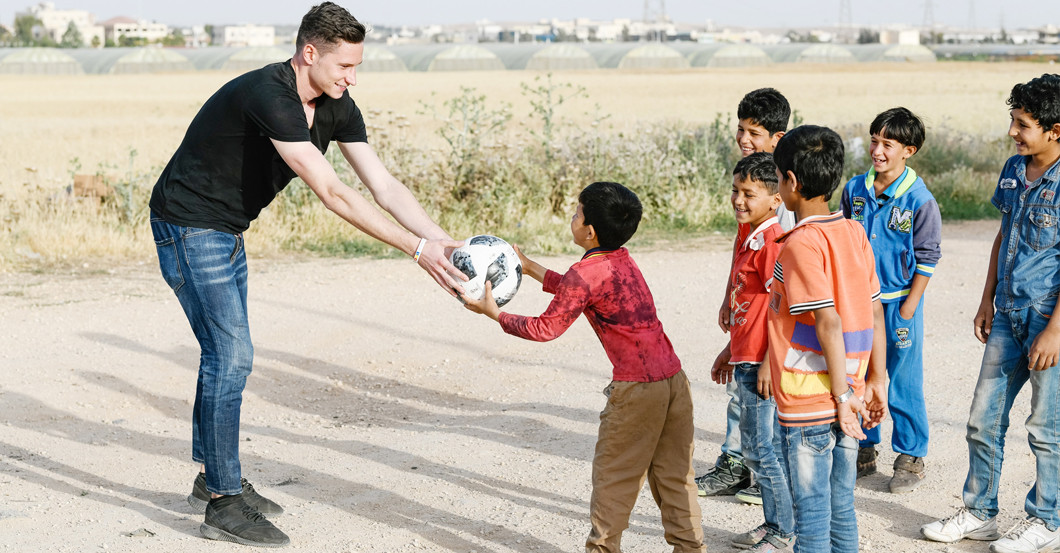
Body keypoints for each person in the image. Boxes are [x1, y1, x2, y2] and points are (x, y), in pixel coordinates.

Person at [148, 3, 464, 547]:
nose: (352, 77)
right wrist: (416, 251)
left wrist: (440, 241)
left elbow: (383, 185)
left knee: (223, 355)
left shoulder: (337, 105)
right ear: (309, 53)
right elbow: (333, 191)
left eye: (358, 67)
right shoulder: (268, 94)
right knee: (232, 357)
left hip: (225, 230)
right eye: (344, 66)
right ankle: (224, 503)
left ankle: (212, 476)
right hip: (189, 226)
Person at [461, 181, 705, 553]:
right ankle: (691, 548)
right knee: (675, 478)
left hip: (637, 391)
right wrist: (529, 268)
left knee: (614, 479)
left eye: (576, 213)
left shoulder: (585, 273)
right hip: (674, 382)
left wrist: (495, 314)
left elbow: (546, 328)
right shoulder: (621, 259)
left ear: (589, 231)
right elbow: (577, 291)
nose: (572, 217)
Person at [921, 73, 1060, 553]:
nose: (1013, 133)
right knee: (984, 419)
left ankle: (1046, 519)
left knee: (1045, 429)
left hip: (1049, 321)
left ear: (1055, 130)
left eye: (1022, 125)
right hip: (1007, 314)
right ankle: (979, 513)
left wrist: (1055, 332)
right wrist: (987, 299)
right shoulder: (1014, 169)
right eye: (1013, 121)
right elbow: (1004, 236)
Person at [768, 125, 888, 553]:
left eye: (778, 178)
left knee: (812, 515)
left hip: (813, 400)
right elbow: (875, 309)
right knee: (842, 510)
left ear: (791, 183)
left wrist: (839, 396)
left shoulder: (800, 244)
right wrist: (877, 379)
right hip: (851, 391)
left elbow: (828, 322)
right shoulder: (854, 232)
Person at [840, 107, 941, 493]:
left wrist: (910, 306)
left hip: (899, 304)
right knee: (863, 372)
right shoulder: (854, 189)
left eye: (888, 144)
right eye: (874, 141)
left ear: (909, 151)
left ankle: (911, 455)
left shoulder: (919, 199)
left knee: (901, 378)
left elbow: (928, 256)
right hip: (859, 303)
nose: (877, 151)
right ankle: (865, 448)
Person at [698, 87, 792, 505]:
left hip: (770, 336)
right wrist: (727, 299)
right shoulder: (749, 185)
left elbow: (781, 292)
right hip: (747, 329)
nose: (744, 139)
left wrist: (771, 352)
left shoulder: (783, 196)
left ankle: (756, 473)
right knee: (744, 393)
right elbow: (741, 253)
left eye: (754, 132)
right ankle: (743, 465)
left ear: (778, 137)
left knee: (759, 401)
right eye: (740, 130)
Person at [709, 153, 796, 552]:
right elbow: (752, 308)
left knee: (765, 450)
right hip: (745, 356)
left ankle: (785, 531)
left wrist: (766, 361)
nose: (739, 200)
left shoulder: (772, 243)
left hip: (762, 362)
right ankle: (774, 522)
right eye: (736, 191)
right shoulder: (750, 235)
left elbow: (783, 306)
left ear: (775, 200)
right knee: (758, 450)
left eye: (749, 193)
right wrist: (731, 348)